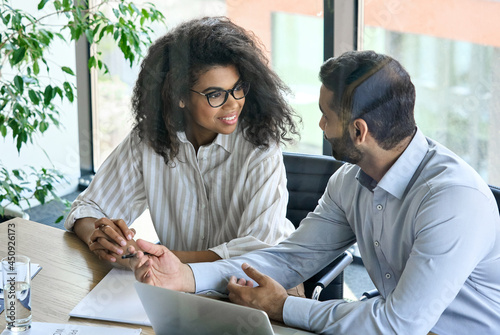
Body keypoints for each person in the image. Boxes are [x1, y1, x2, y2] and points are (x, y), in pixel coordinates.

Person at [128, 50, 500, 334]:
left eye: (326, 115)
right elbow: (289, 260)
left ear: (359, 132)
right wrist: (186, 276)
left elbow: (397, 325)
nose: (320, 124)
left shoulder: (452, 201)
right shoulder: (350, 181)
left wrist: (283, 306)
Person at [64, 16, 300, 268]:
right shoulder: (150, 138)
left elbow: (257, 251)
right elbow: (88, 208)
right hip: (177, 286)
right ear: (179, 97)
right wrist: (101, 237)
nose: (233, 103)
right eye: (216, 94)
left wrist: (159, 259)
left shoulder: (261, 146)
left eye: (238, 87)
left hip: (255, 284)